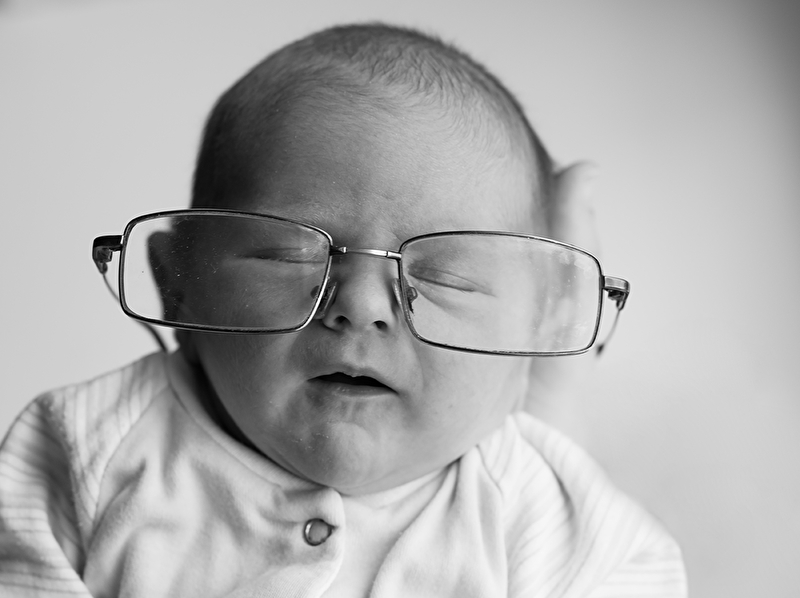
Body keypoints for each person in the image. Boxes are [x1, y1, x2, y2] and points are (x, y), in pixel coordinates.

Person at [0, 23, 686, 597]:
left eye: (445, 277)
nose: (359, 307)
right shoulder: (90, 447)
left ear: (536, 330)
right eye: (289, 254)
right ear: (178, 282)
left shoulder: (545, 517)